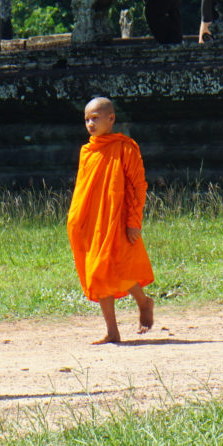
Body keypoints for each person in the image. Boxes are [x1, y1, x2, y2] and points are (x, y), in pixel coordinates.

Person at [67, 97, 155, 343]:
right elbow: (83, 189)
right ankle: (112, 331)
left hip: (117, 219)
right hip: (93, 223)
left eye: (95, 118)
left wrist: (134, 221)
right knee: (98, 272)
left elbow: (138, 185)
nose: (90, 124)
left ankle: (143, 301)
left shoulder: (125, 147)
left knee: (118, 268)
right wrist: (76, 221)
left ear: (111, 118)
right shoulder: (87, 151)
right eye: (86, 120)